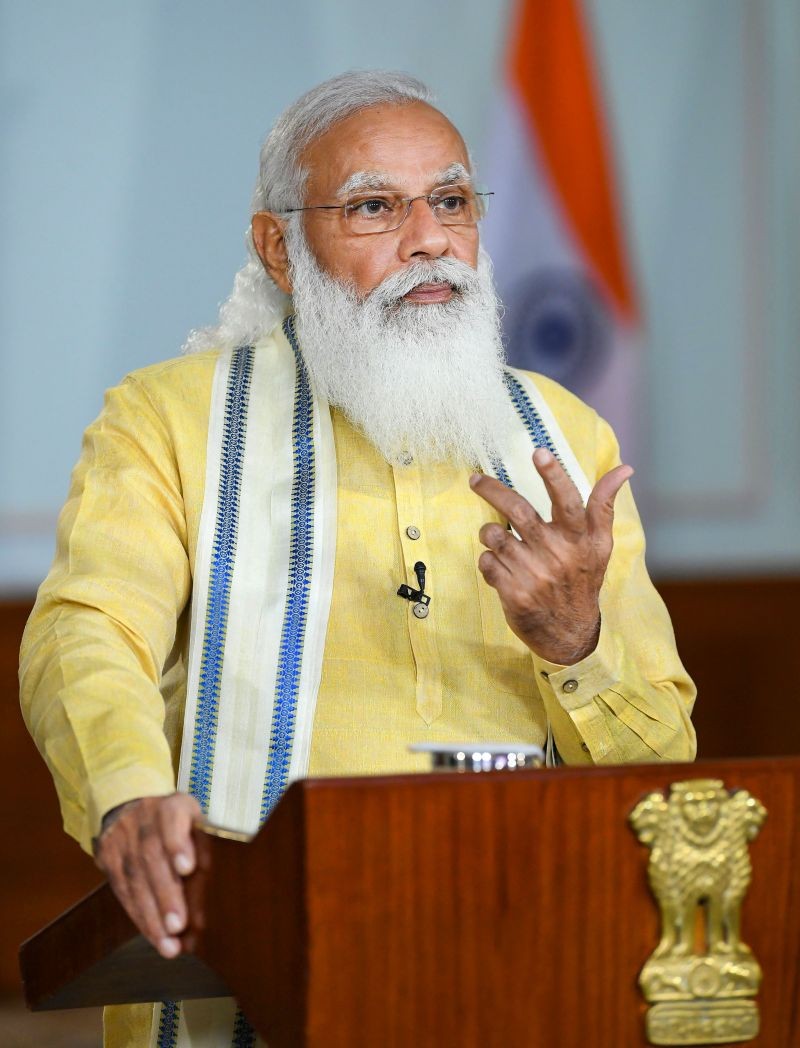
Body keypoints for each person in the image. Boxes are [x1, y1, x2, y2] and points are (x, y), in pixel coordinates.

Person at [19, 70, 695, 1047]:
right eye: (374, 205)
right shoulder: (169, 420)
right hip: (255, 963)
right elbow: (89, 631)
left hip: (526, 957)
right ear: (277, 247)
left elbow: (662, 767)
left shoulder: (565, 437)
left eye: (451, 202)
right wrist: (127, 791)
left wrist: (575, 641)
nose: (428, 239)